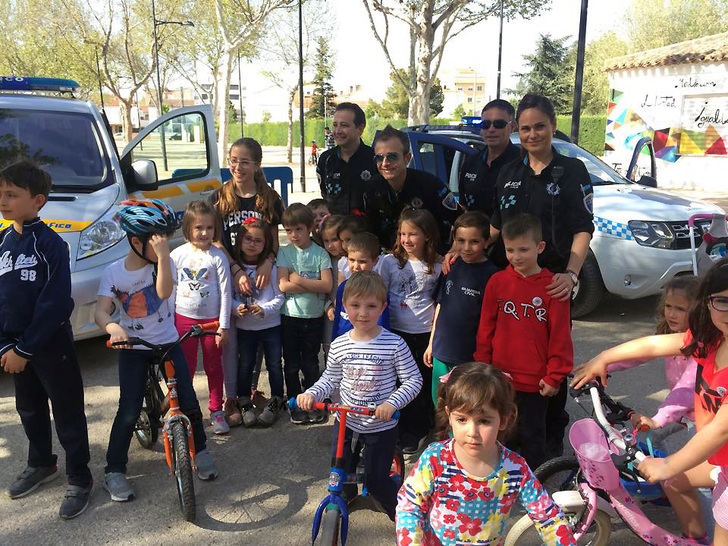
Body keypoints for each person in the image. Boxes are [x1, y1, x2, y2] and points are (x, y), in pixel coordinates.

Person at [571, 259, 728, 544]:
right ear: (707, 303)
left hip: (720, 455)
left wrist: (668, 464)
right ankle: (694, 537)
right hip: (722, 463)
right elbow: (653, 346)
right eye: (722, 301)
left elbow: (721, 429)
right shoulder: (712, 341)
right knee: (678, 481)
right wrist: (604, 358)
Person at [490, 93, 594, 458]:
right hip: (514, 282)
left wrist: (571, 274)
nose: (532, 134)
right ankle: (513, 444)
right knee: (513, 361)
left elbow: (583, 227)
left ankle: (549, 449)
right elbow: (496, 227)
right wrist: (461, 250)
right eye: (525, 128)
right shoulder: (508, 172)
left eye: (539, 127)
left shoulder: (573, 172)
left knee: (552, 362)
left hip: (553, 284)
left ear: (552, 127)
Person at [95, 198, 218, 503]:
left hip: (167, 343)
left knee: (188, 400)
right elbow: (101, 312)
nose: (164, 245)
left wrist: (163, 257)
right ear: (137, 241)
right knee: (128, 409)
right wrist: (113, 328)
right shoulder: (114, 273)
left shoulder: (166, 263)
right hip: (133, 348)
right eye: (157, 241)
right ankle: (114, 470)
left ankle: (199, 450)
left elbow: (163, 292)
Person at [0, 160, 92, 519]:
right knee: (30, 409)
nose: (4, 201)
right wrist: (6, 345)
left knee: (67, 411)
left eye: (12, 195)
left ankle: (80, 477)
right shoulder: (4, 242)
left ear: (37, 200)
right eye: (2, 194)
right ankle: (41, 463)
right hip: (16, 348)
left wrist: (25, 348)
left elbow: (56, 303)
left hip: (50, 346)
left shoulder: (52, 244)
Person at [395, 362, 575, 545]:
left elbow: (548, 516)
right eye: (462, 419)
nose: (472, 431)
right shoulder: (435, 459)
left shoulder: (515, 468)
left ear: (504, 420)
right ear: (449, 416)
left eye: (484, 421)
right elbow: (409, 506)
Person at [297, 271, 422, 521]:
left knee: (377, 481)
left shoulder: (394, 344)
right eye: (355, 305)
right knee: (339, 474)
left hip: (380, 424)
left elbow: (413, 379)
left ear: (383, 307)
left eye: (371, 306)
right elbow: (330, 378)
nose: (362, 312)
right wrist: (311, 392)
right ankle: (346, 495)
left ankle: (404, 515)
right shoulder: (340, 344)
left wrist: (391, 403)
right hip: (346, 422)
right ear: (344, 306)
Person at [474, 213, 572, 470]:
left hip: (535, 381)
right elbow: (486, 326)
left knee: (532, 436)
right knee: (500, 431)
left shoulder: (554, 288)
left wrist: (555, 376)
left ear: (540, 248)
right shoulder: (497, 282)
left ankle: (534, 484)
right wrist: (483, 367)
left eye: (524, 250)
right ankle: (501, 479)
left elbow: (560, 337)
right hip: (500, 377)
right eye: (510, 250)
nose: (516, 256)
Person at [211, 137, 285, 427]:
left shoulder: (269, 198)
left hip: (261, 269)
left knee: (258, 335)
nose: (237, 166)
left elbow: (277, 238)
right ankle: (233, 396)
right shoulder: (219, 198)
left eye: (244, 161)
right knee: (234, 340)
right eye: (233, 160)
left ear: (257, 164)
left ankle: (253, 393)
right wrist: (235, 269)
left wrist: (268, 260)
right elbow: (216, 240)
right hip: (230, 273)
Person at [378, 208, 442, 454]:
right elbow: (380, 294)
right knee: (396, 383)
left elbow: (439, 303)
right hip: (396, 332)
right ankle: (397, 428)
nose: (406, 240)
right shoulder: (389, 262)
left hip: (424, 334)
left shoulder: (437, 264)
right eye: (402, 233)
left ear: (427, 235)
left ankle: (417, 431)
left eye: (412, 234)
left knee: (421, 384)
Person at [170, 200, 232, 435]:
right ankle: (186, 409)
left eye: (209, 228)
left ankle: (216, 410)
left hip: (212, 322)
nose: (204, 233)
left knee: (214, 367)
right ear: (187, 229)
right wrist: (169, 321)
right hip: (182, 319)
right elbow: (171, 290)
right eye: (198, 228)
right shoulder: (177, 255)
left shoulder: (218, 257)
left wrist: (223, 326)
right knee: (184, 368)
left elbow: (226, 292)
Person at [424, 211, 499, 402]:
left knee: (464, 406)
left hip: (469, 358)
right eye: (460, 240)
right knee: (440, 403)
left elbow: (491, 321)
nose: (466, 247)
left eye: (474, 241)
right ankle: (443, 433)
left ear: (486, 242)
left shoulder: (493, 276)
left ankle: (454, 435)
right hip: (441, 352)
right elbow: (440, 305)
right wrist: (431, 344)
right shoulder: (451, 265)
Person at [277, 203, 333, 424]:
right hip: (290, 317)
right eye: (288, 230)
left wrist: (298, 279)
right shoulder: (284, 252)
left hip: (314, 317)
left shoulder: (320, 253)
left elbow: (327, 286)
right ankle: (294, 402)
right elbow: (282, 285)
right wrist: (313, 284)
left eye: (298, 229)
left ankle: (313, 401)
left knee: (310, 362)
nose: (293, 235)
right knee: (291, 363)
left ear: (310, 227)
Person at [362, 124, 459, 251]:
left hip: (429, 260)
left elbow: (459, 221)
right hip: (389, 260)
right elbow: (370, 230)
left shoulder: (430, 185)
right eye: (379, 158)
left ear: (407, 158)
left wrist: (454, 250)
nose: (385, 163)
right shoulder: (372, 188)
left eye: (392, 157)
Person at [231, 218, 285, 427]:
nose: (252, 244)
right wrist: (236, 308)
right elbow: (229, 296)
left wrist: (265, 309)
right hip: (245, 327)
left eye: (258, 240)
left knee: (274, 365)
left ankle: (277, 399)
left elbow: (280, 297)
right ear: (240, 240)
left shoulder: (271, 267)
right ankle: (244, 400)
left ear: (266, 244)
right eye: (248, 239)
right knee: (245, 365)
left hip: (271, 326)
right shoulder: (234, 268)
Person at [458, 99, 519, 215]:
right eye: (485, 124)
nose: (491, 130)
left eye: (499, 124)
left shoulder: (523, 164)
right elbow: (463, 206)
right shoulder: (471, 163)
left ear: (512, 127)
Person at [317, 102, 376, 215]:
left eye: (344, 125)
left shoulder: (374, 159)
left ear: (360, 128)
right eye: (335, 125)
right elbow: (325, 194)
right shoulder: (325, 160)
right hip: (335, 230)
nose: (338, 131)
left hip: (367, 231)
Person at [331, 232, 389, 339]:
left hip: (371, 345)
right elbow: (337, 319)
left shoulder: (379, 289)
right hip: (344, 343)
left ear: (375, 261)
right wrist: (334, 341)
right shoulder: (343, 287)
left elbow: (383, 323)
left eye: (362, 261)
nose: (356, 266)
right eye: (352, 260)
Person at [320, 214, 345, 360]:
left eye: (334, 240)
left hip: (352, 315)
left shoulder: (353, 260)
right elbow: (320, 289)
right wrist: (327, 306)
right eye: (326, 241)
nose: (330, 245)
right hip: (331, 314)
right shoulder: (324, 259)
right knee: (331, 351)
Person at [336, 214, 369, 283]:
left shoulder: (378, 261)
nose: (345, 245)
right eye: (342, 241)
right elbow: (341, 288)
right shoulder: (343, 262)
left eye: (348, 239)